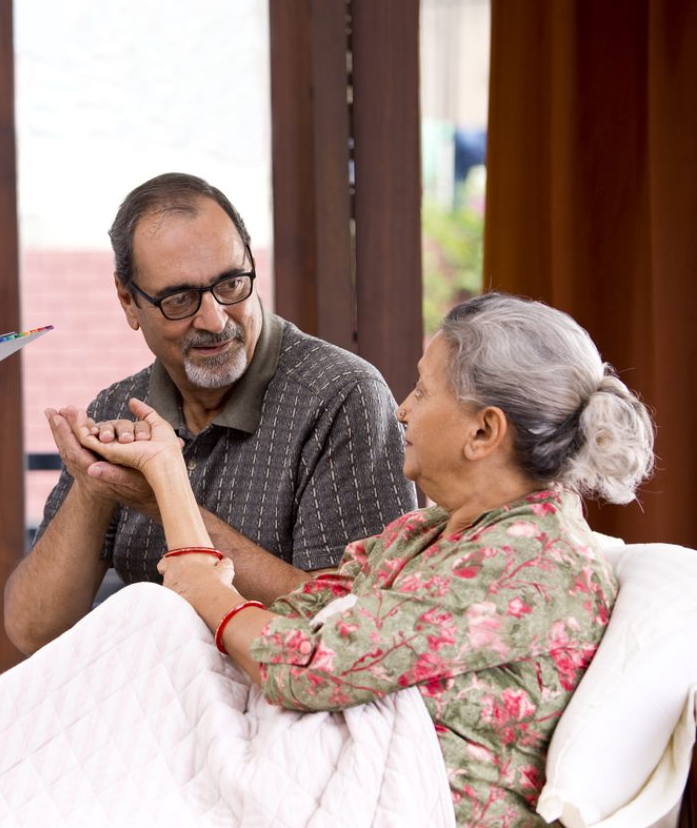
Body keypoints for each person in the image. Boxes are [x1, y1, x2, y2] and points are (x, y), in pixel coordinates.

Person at [71, 292, 655, 827]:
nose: (402, 411)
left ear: (484, 431)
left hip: (403, 802)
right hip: (326, 767)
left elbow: (307, 665)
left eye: (423, 392)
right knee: (141, 640)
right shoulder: (432, 531)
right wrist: (172, 487)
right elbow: (299, 613)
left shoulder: (529, 562)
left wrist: (202, 579)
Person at [4, 173, 416, 655]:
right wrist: (96, 487)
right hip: (158, 707)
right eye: (179, 299)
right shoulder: (118, 406)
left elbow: (357, 632)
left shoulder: (341, 397)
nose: (215, 319)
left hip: (288, 718)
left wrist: (164, 500)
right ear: (127, 302)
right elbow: (34, 630)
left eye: (231, 284)